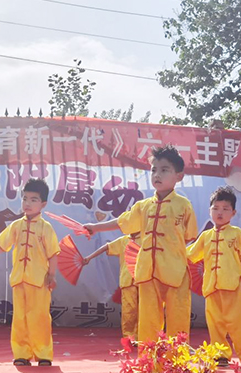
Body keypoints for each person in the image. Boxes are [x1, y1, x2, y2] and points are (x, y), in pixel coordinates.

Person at [84, 145, 197, 343]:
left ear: (179, 176)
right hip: (147, 271)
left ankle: (177, 366)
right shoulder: (142, 206)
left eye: (164, 170)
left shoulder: (184, 205)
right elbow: (122, 222)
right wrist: (95, 227)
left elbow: (189, 236)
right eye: (154, 170)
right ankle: (150, 365)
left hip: (176, 271)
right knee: (148, 320)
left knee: (178, 317)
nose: (157, 175)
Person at [0, 178, 60, 366]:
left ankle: (43, 354)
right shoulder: (15, 225)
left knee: (40, 317)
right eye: (25, 198)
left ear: (43, 204)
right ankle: (21, 353)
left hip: (40, 281)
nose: (27, 203)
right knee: (20, 318)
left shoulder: (46, 228)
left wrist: (51, 275)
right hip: (19, 280)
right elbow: (1, 246)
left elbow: (53, 253)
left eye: (33, 200)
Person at [186, 187, 241, 366]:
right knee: (215, 322)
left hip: (233, 285)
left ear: (233, 213)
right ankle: (220, 354)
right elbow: (190, 255)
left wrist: (231, 272)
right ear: (210, 211)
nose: (220, 212)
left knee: (236, 322)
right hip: (211, 286)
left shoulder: (238, 234)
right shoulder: (205, 236)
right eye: (216, 208)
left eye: (225, 208)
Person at [83, 235, 139, 340]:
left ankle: (145, 338)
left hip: (145, 281)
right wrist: (89, 257)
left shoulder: (147, 237)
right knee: (129, 311)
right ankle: (129, 338)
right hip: (128, 281)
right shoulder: (124, 240)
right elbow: (106, 247)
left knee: (145, 311)